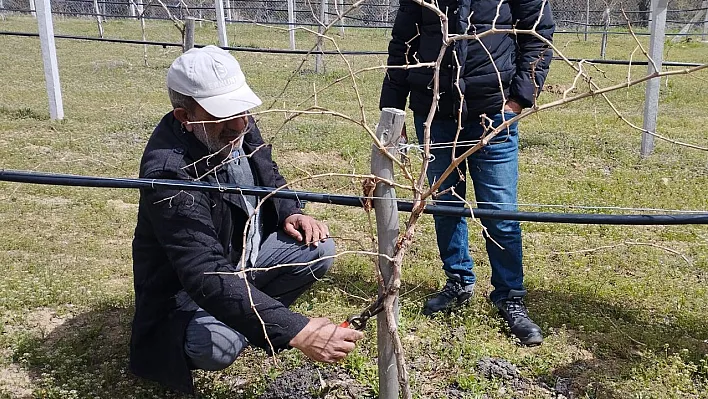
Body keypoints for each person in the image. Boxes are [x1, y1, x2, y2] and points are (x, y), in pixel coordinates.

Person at [130, 46, 363, 393]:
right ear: (185, 117)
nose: (240, 125)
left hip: (244, 260)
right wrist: (300, 330)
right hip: (191, 290)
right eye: (223, 114)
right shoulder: (169, 173)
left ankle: (249, 313)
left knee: (319, 249)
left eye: (242, 110)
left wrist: (291, 210)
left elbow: (267, 168)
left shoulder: (236, 122)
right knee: (212, 348)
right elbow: (204, 271)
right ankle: (254, 317)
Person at [380, 0, 555, 346]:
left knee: (500, 212)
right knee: (445, 205)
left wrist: (517, 100)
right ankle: (458, 282)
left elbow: (538, 35)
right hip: (435, 113)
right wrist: (392, 109)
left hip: (493, 113)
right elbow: (403, 42)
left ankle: (510, 297)